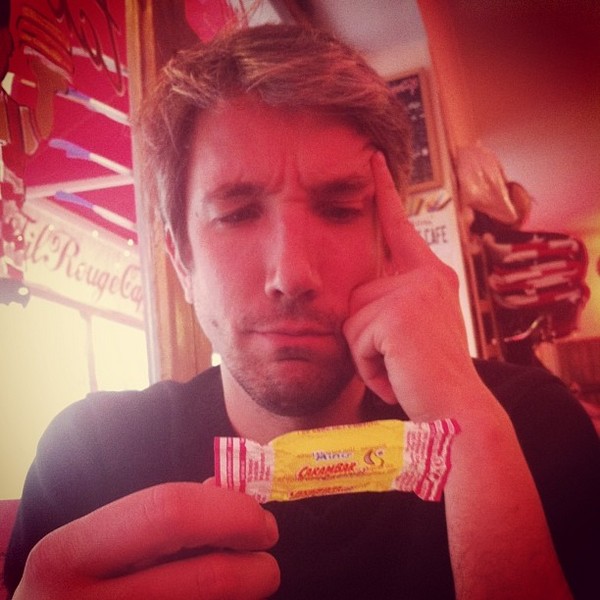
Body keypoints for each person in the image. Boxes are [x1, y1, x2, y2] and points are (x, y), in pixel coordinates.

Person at [4, 23, 600, 600]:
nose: (291, 276)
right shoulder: (89, 458)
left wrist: (473, 432)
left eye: (340, 209)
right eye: (237, 214)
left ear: (391, 241)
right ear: (181, 260)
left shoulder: (532, 428)